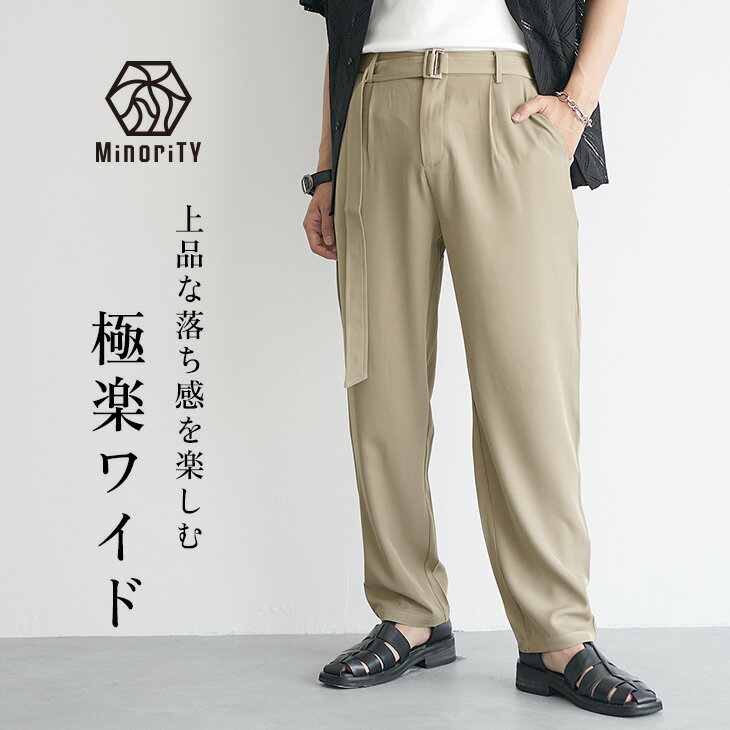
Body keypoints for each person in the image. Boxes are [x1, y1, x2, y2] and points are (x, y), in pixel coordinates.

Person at [299, 0, 662, 718]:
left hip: (510, 103)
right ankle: (410, 612)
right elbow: (340, 26)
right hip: (376, 101)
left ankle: (557, 635)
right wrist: (327, 167)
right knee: (380, 384)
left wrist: (577, 104)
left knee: (531, 386)